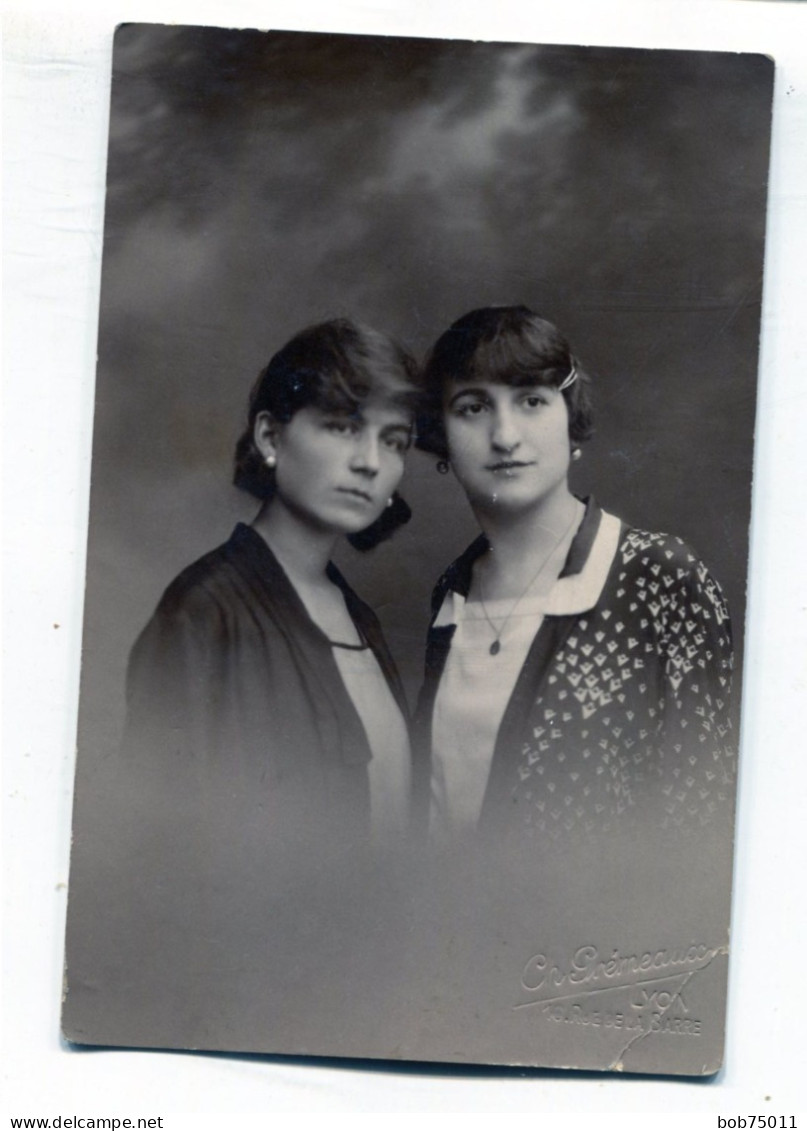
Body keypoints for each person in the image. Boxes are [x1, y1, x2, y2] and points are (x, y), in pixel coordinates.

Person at [413, 305, 736, 851]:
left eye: (532, 402)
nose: (505, 436)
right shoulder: (453, 594)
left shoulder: (658, 578)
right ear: (441, 435)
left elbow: (700, 823)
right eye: (473, 408)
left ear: (570, 418)